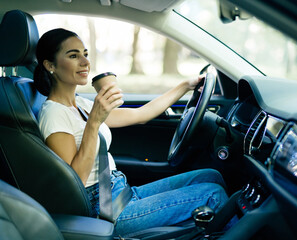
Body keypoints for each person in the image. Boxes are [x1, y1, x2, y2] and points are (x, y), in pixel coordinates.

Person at [34, 28, 232, 236]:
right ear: (50, 65)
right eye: (73, 56)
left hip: (119, 190)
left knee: (211, 176)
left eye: (85, 54)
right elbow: (75, 184)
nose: (85, 62)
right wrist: (94, 122)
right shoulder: (54, 114)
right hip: (103, 208)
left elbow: (142, 114)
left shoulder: (82, 105)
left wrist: (185, 86)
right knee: (213, 194)